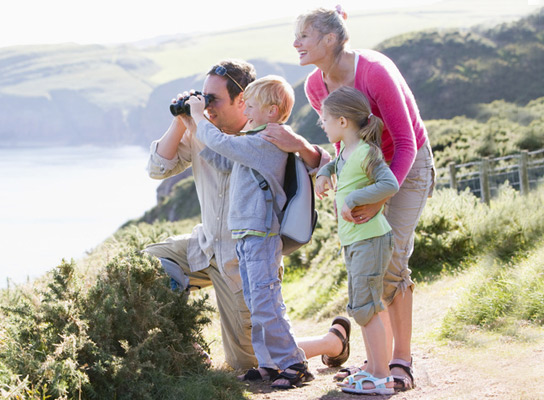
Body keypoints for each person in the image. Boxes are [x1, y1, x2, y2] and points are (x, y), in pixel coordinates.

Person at [265, 5, 436, 391]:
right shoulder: (315, 86)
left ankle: (399, 363)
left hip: (406, 165)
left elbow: (406, 142)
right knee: (367, 262)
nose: (296, 43)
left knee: (392, 261)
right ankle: (376, 360)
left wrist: (379, 196)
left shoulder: (375, 71)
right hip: (362, 172)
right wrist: (329, 174)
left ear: (329, 38)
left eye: (303, 35)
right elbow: (344, 146)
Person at [143, 59, 349, 375]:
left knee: (248, 361)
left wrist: (301, 145)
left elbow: (325, 163)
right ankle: (184, 347)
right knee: (147, 266)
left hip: (244, 263)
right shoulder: (204, 131)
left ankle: (331, 343)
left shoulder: (270, 135)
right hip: (205, 246)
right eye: (203, 96)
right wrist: (183, 119)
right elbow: (157, 169)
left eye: (214, 99)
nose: (207, 106)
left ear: (243, 100)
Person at [183, 75, 311, 388]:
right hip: (246, 233)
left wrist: (200, 117)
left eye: (251, 105)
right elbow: (221, 158)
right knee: (256, 304)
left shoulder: (266, 141)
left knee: (266, 304)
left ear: (272, 111)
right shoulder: (253, 140)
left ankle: (294, 364)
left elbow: (224, 144)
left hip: (261, 234)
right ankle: (267, 363)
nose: (246, 110)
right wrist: (190, 124)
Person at [315, 87, 399, 395]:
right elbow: (336, 165)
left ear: (341, 121)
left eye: (324, 119)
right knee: (364, 308)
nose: (321, 124)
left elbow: (389, 183)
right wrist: (324, 174)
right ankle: (375, 368)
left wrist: (353, 198)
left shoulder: (366, 153)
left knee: (366, 309)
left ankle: (380, 376)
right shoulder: (345, 152)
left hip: (371, 238)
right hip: (356, 241)